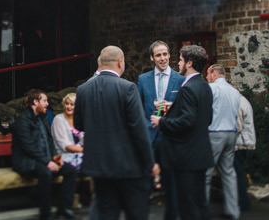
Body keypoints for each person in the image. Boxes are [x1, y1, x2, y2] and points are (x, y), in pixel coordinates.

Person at [75, 46, 158, 220]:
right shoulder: (127, 88)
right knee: (136, 213)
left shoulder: (83, 90)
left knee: (105, 213)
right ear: (120, 62)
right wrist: (150, 162)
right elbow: (139, 129)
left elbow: (79, 124)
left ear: (101, 62)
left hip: (98, 165)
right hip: (128, 165)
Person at [151, 45, 213, 220]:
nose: (178, 63)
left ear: (190, 63)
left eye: (180, 60)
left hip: (186, 158)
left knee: (188, 207)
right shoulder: (204, 85)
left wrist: (161, 121)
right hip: (201, 154)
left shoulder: (187, 88)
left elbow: (187, 121)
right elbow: (206, 118)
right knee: (200, 204)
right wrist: (174, 109)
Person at [11, 89, 77, 220]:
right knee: (46, 173)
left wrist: (56, 159)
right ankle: (45, 213)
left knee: (70, 170)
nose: (47, 104)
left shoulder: (43, 118)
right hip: (27, 160)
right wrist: (48, 162)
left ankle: (64, 208)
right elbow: (28, 147)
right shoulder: (22, 120)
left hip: (45, 158)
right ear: (35, 102)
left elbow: (49, 141)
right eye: (44, 101)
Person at [137, 40, 184, 220]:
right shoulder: (143, 79)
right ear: (152, 58)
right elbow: (139, 108)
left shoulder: (180, 79)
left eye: (165, 54)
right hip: (150, 134)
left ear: (169, 55)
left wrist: (170, 107)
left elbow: (183, 108)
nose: (162, 58)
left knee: (171, 179)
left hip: (170, 134)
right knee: (146, 176)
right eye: (158, 55)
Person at [205, 64, 241, 220]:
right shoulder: (235, 92)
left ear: (213, 73)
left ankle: (202, 211)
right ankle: (233, 211)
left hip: (214, 133)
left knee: (205, 174)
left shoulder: (211, 89)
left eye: (207, 74)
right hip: (231, 133)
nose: (206, 77)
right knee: (229, 173)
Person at [234, 89, 255, 212]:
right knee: (238, 172)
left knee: (237, 173)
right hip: (244, 142)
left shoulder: (238, 103)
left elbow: (237, 126)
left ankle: (243, 202)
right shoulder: (243, 101)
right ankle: (242, 201)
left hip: (240, 142)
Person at [51, 93, 83, 170]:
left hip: (79, 154)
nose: (68, 107)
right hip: (63, 156)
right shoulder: (58, 119)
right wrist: (85, 150)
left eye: (72, 104)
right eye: (67, 103)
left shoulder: (79, 119)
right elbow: (64, 145)